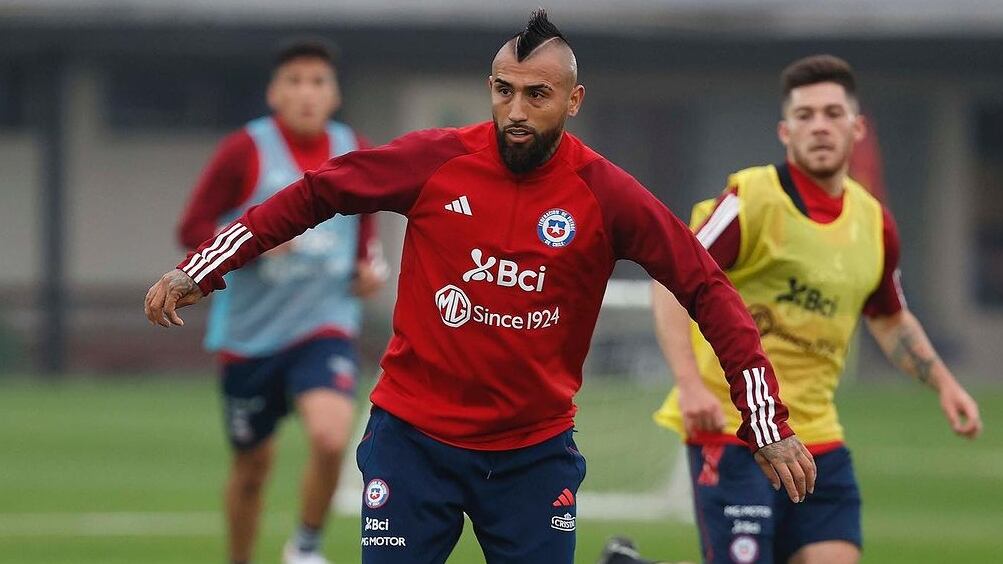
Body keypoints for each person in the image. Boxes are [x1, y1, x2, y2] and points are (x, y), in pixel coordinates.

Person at [146, 11, 815, 564]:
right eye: (503, 91)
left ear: (573, 101)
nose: (515, 110)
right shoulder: (435, 159)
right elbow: (318, 192)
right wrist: (202, 266)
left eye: (536, 95)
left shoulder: (606, 195)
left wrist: (764, 422)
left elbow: (706, 287)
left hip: (532, 456)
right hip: (412, 444)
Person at [608, 54, 982, 564]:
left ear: (857, 129)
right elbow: (672, 278)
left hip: (819, 438)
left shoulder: (875, 223)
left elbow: (889, 317)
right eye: (805, 116)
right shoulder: (751, 200)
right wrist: (689, 383)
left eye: (832, 113)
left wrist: (945, 384)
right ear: (786, 132)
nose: (819, 126)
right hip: (736, 429)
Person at [175, 40, 386, 564]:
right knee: (252, 469)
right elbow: (192, 227)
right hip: (251, 337)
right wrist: (251, 243)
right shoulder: (245, 150)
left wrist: (367, 265)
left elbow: (365, 221)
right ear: (274, 93)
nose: (306, 93)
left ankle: (305, 549)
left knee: (332, 437)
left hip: (324, 324)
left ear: (334, 94)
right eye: (294, 81)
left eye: (318, 81)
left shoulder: (353, 148)